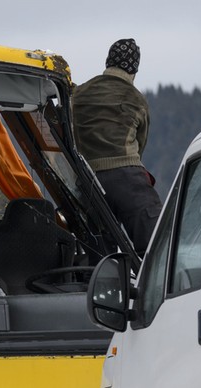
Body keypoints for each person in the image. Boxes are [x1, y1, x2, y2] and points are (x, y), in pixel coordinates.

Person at [72, 38, 163, 253]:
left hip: (88, 179)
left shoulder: (80, 93)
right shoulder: (136, 98)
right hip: (127, 177)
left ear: (108, 62)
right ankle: (150, 281)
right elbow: (140, 144)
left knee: (98, 248)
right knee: (154, 242)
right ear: (134, 69)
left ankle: (103, 281)